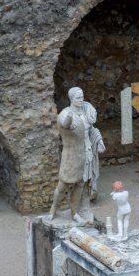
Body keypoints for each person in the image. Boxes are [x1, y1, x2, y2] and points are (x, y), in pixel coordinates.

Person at [48, 87, 105, 224]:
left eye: (82, 97)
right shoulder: (66, 113)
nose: (81, 100)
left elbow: (92, 130)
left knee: (80, 184)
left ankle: (74, 212)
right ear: (71, 99)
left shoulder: (86, 111)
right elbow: (64, 124)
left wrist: (100, 141)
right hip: (71, 154)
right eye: (78, 98)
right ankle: (53, 209)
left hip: (86, 153)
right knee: (63, 184)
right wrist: (68, 118)